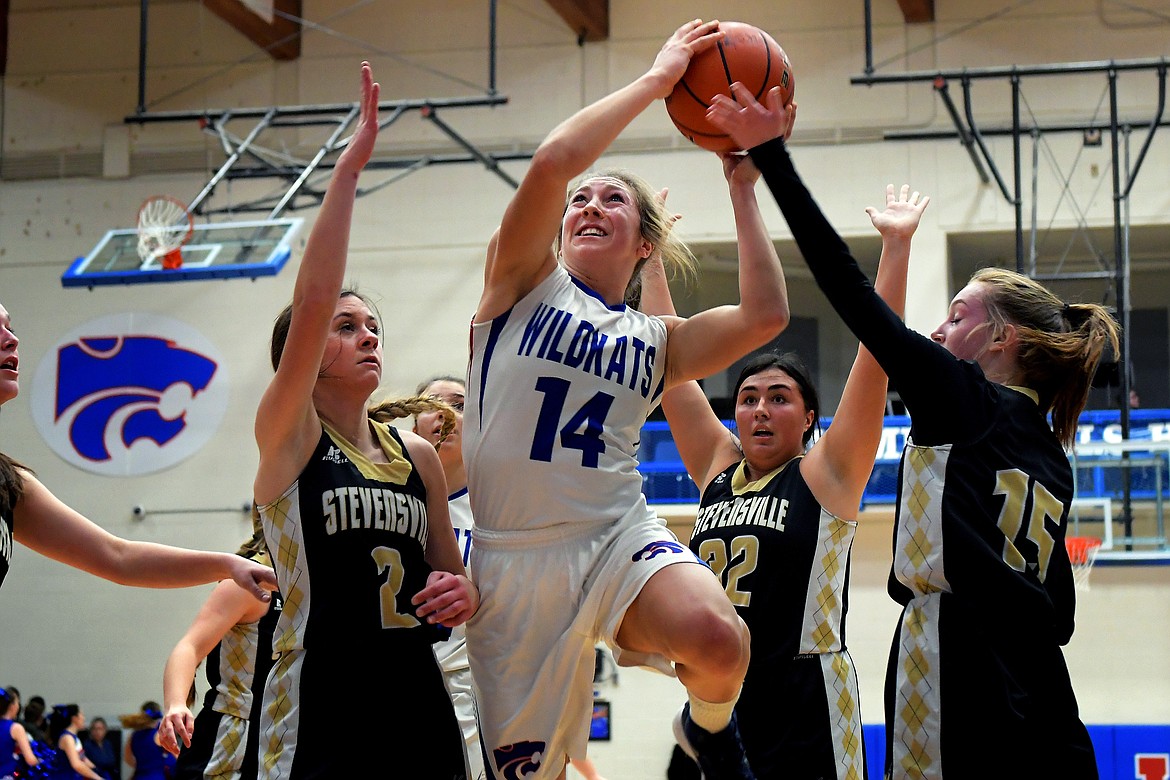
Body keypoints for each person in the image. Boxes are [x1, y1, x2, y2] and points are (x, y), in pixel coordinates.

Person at [707, 83, 1117, 779]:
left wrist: (773, 156)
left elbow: (849, 292)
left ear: (998, 337)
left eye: (956, 315)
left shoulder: (964, 399)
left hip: (950, 647)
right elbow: (1062, 612)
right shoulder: (1053, 451)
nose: (937, 330)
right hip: (1038, 670)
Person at [462, 19, 791, 780]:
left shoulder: (656, 340)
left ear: (644, 242)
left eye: (613, 199)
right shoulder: (518, 285)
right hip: (512, 562)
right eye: (582, 199)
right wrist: (655, 80)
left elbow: (764, 315)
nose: (588, 206)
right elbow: (550, 164)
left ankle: (705, 728)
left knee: (718, 639)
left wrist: (744, 185)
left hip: (613, 532)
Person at [640, 179, 925, 778]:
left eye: (779, 397)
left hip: (807, 694)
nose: (761, 409)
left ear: (810, 417)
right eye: (747, 398)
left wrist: (896, 250)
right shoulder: (719, 467)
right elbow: (667, 356)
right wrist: (653, 258)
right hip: (721, 691)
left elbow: (876, 358)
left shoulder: (827, 474)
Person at [252, 62, 478, 779]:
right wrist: (346, 175)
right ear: (305, 354)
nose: (369, 335)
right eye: (346, 328)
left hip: (414, 687)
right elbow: (312, 298)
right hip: (323, 691)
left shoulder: (418, 453)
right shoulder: (289, 434)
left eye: (373, 325)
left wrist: (462, 593)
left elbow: (450, 580)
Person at [0, 304, 277, 602]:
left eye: (10, 328)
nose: (11, 339)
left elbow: (118, 558)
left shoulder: (10, 482)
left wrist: (229, 564)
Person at [158, 520, 282, 780]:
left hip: (282, 735)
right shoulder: (248, 584)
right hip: (233, 736)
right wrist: (175, 704)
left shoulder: (310, 588)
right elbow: (189, 646)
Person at [413, 375, 485, 780]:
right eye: (432, 404)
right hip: (401, 679)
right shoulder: (391, 506)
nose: (445, 413)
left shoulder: (501, 509)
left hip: (475, 686)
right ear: (411, 427)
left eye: (459, 403)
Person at [48, 704, 102, 780]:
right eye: (82, 715)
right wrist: (97, 778)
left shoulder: (74, 738)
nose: (84, 718)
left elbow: (82, 758)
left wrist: (98, 771)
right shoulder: (67, 738)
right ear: (74, 718)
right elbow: (76, 764)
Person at [120, 703, 171, 780]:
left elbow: (127, 759)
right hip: (158, 776)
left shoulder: (133, 735)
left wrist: (142, 766)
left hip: (140, 776)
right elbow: (177, 756)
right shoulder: (159, 735)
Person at [1, 687, 40, 779]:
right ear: (12, 706)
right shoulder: (16, 728)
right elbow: (30, 760)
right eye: (18, 703)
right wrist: (41, 761)